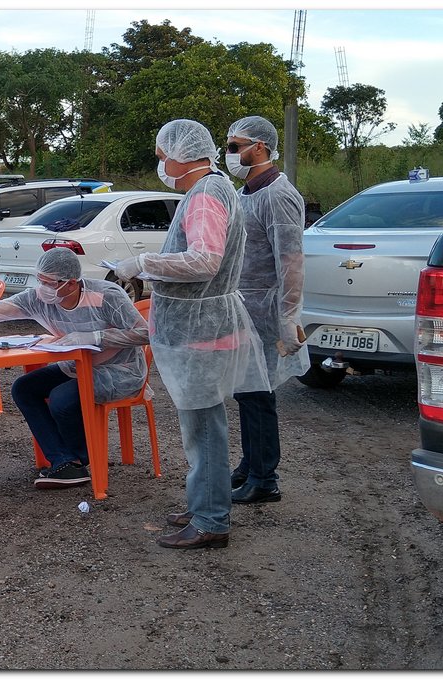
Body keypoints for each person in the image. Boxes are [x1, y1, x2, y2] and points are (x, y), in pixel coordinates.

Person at [114, 119, 269, 549]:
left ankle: (211, 520)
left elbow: (203, 260)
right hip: (206, 324)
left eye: (162, 156)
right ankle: (205, 502)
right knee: (203, 426)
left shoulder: (204, 196)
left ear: (181, 155)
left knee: (203, 429)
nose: (160, 164)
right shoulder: (215, 188)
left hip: (201, 330)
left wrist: (143, 263)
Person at [0, 248, 148, 489]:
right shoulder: (39, 299)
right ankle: (64, 460)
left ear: (71, 283)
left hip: (120, 370)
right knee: (24, 388)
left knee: (61, 399)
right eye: (40, 280)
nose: (42, 288)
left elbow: (145, 333)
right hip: (76, 366)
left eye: (49, 283)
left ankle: (80, 459)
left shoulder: (107, 295)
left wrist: (98, 337)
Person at [224, 116, 310, 504]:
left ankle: (264, 478)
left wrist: (288, 316)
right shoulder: (246, 193)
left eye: (234, 146)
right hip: (244, 306)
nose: (230, 154)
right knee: (245, 391)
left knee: (259, 393)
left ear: (259, 147)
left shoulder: (278, 194)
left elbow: (290, 260)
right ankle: (250, 464)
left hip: (265, 307)